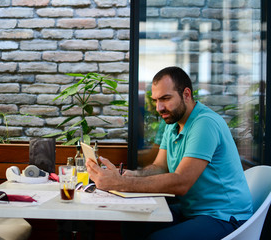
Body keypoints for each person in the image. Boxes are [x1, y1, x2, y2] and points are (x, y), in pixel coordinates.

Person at [86, 66, 253, 240]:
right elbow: (159, 166)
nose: (159, 108)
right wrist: (129, 175)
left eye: (166, 99)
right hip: (193, 211)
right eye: (156, 100)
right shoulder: (173, 123)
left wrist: (118, 183)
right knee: (132, 223)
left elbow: (181, 183)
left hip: (225, 216)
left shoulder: (204, 124)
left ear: (186, 94)